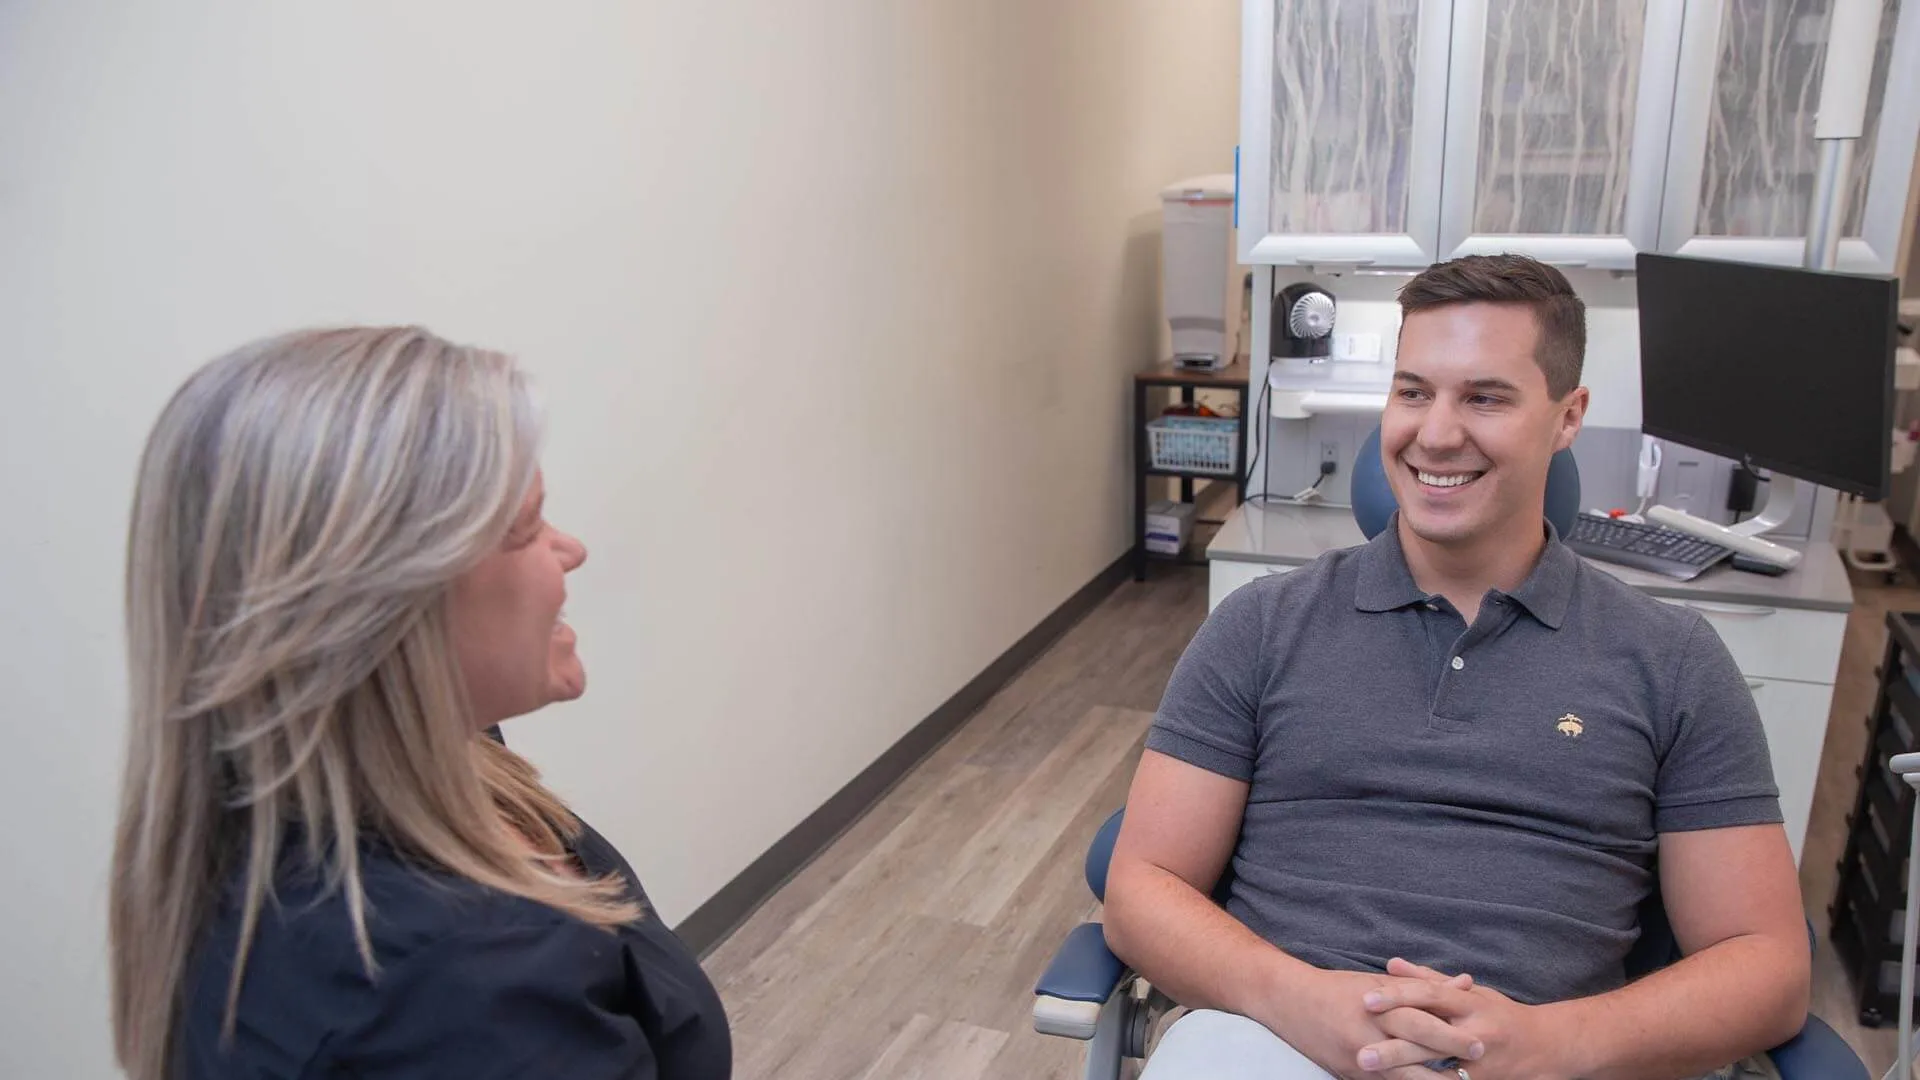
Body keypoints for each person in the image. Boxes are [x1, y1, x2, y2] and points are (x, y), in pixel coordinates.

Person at [1104, 255, 1809, 1080]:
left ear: (1568, 416)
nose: (1435, 433)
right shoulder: (1262, 627)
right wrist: (1297, 1000)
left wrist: (1549, 1046)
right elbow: (1141, 889)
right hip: (1277, 1037)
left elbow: (1767, 965)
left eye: (1485, 396)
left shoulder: (1672, 661)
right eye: (1412, 392)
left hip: (1554, 1057)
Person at [108, 327, 731, 1080]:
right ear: (385, 605)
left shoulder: (432, 762)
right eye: (528, 526)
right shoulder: (451, 995)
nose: (570, 550)